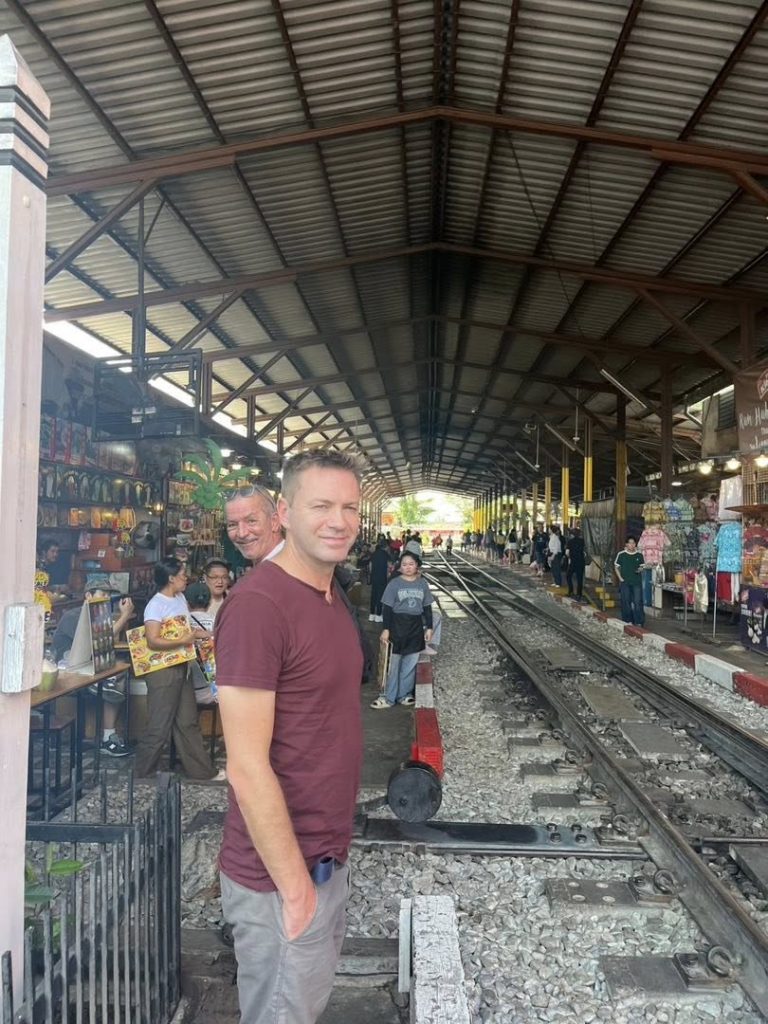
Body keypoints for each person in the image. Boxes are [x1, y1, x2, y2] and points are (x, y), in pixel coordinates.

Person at [215, 449, 364, 1024]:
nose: (338, 521)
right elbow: (246, 766)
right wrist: (297, 890)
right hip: (280, 878)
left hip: (325, 858)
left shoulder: (328, 594)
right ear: (285, 512)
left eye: (350, 507)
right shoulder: (258, 605)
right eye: (321, 506)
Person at [134, 558, 224, 781]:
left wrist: (208, 634)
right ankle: (143, 773)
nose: (186, 579)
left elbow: (187, 630)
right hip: (163, 671)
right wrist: (184, 641)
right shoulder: (156, 605)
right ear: (171, 578)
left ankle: (202, 771)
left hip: (182, 666)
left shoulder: (180, 598)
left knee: (187, 722)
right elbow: (153, 640)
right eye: (183, 575)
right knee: (159, 725)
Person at [51, 582, 135, 756]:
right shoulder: (74, 616)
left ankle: (108, 736)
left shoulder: (100, 616)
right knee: (112, 682)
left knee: (119, 676)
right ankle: (107, 736)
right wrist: (124, 616)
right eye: (102, 594)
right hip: (67, 668)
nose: (106, 598)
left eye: (108, 595)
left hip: (88, 665)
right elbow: (99, 640)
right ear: (88, 596)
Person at [371, 551, 434, 709]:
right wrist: (386, 629)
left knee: (410, 665)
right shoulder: (394, 584)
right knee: (392, 665)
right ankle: (387, 697)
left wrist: (429, 627)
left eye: (411, 564)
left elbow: (427, 607)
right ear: (400, 566)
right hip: (397, 626)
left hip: (415, 627)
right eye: (404, 564)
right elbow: (387, 608)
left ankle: (404, 695)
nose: (408, 567)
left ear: (417, 565)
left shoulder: (422, 584)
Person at [615, 536, 646, 627]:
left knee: (637, 601)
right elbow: (616, 567)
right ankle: (627, 620)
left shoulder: (639, 555)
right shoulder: (621, 554)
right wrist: (620, 578)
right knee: (626, 601)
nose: (631, 545)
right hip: (625, 582)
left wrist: (640, 570)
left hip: (636, 582)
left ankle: (639, 621)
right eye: (629, 543)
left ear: (635, 544)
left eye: (633, 543)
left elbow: (642, 567)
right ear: (626, 544)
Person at [369, 537, 392, 622]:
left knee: (373, 595)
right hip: (382, 578)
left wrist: (372, 574)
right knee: (380, 596)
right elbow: (389, 566)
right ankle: (378, 615)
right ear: (386, 546)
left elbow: (370, 565)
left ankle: (371, 614)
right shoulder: (386, 554)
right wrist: (389, 574)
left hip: (374, 577)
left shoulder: (374, 553)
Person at [565, 528, 587, 601]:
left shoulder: (570, 541)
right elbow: (584, 552)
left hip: (573, 562)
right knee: (579, 578)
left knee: (568, 576)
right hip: (581, 562)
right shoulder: (582, 541)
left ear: (572, 534)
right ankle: (579, 594)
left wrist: (569, 558)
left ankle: (570, 591)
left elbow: (567, 553)